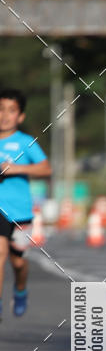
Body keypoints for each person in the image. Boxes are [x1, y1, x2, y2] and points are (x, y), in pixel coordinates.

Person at [0, 89, 51, 320]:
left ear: (20, 117)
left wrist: (16, 169)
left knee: (18, 262)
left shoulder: (26, 142)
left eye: (11, 111)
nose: (4, 115)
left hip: (20, 211)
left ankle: (21, 290)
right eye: (1, 109)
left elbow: (45, 169)